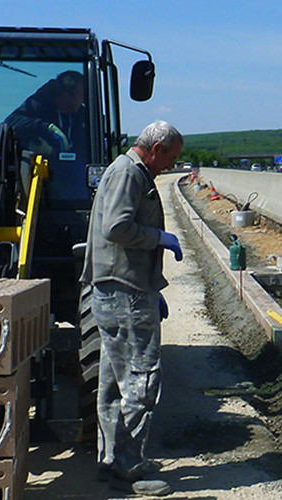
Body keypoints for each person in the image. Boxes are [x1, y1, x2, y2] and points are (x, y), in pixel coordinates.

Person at [79, 120, 184, 497]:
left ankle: (111, 459)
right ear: (155, 149)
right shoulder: (128, 174)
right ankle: (129, 467)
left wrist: (150, 283)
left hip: (123, 288)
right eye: (170, 158)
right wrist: (159, 238)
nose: (171, 166)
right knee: (141, 378)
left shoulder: (126, 170)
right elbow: (117, 228)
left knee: (111, 382)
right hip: (125, 294)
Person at [5, 70, 91, 163]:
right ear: (66, 97)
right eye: (81, 96)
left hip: (75, 171)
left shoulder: (82, 115)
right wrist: (45, 127)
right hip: (37, 170)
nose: (83, 101)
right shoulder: (38, 104)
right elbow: (9, 124)